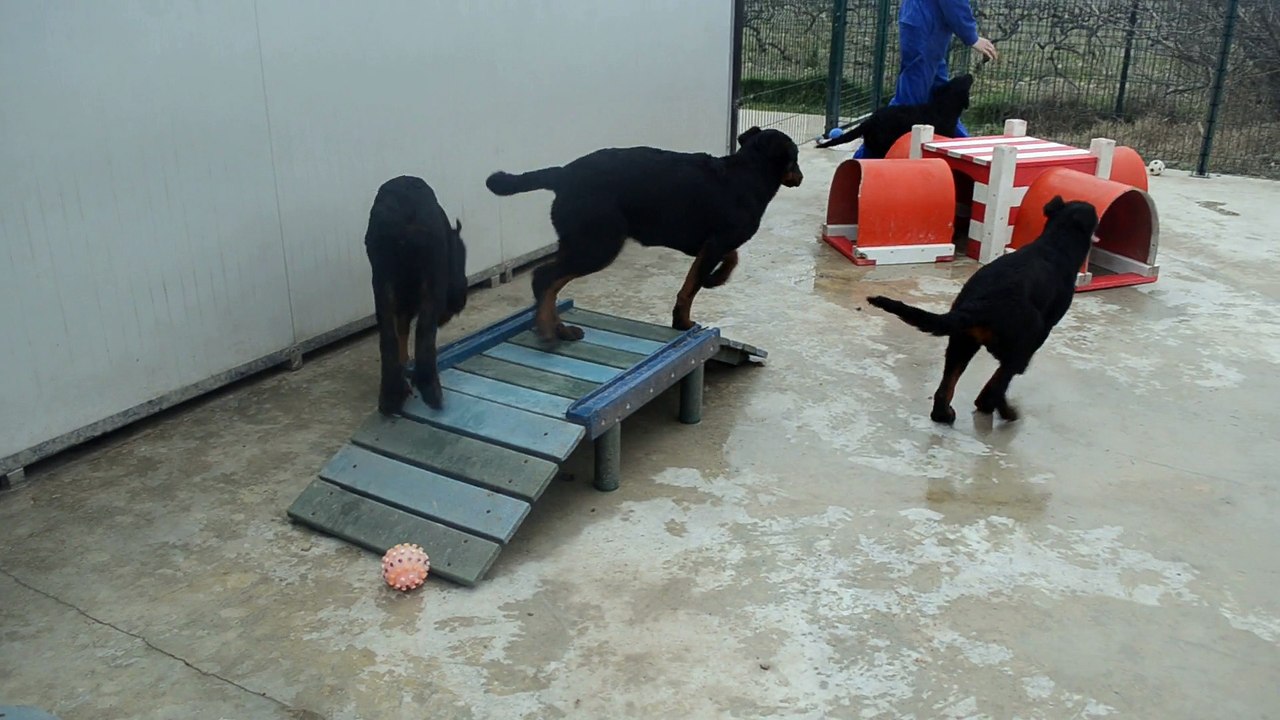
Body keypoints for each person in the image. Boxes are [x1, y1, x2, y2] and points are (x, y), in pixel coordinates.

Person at [852, 0, 998, 158]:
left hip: (922, 21)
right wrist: (971, 37)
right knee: (908, 104)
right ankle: (863, 162)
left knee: (944, 100)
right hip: (928, 28)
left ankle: (963, 152)